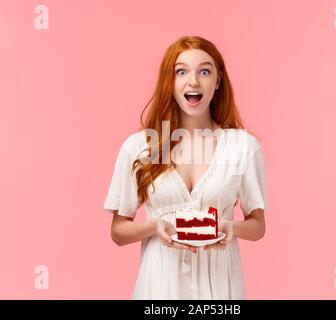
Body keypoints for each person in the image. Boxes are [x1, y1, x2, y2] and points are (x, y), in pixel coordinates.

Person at [103, 35, 268, 299]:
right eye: (182, 71)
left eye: (205, 71)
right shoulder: (140, 147)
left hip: (220, 289)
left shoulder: (243, 147)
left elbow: (258, 225)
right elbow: (118, 231)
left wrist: (230, 227)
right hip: (159, 289)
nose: (193, 81)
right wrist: (155, 226)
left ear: (218, 81)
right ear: (171, 82)